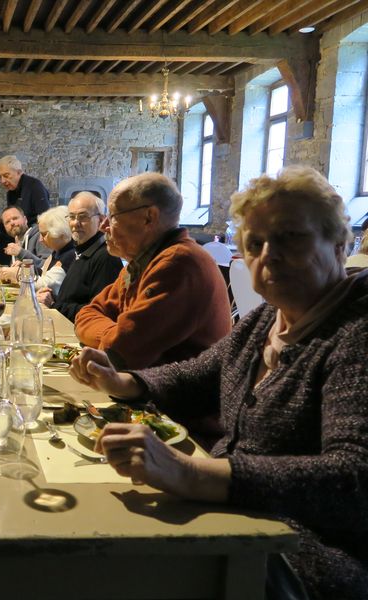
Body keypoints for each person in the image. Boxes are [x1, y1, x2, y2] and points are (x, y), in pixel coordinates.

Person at [69, 166, 368, 600]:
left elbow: (354, 479)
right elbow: (200, 373)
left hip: (299, 554)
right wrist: (124, 381)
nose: (269, 256)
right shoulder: (269, 317)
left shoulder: (356, 332)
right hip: (235, 515)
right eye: (256, 244)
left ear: (341, 244)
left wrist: (196, 472)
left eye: (291, 238)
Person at [74, 173, 231, 370]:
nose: (104, 226)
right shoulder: (142, 262)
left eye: (113, 216)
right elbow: (87, 314)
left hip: (174, 398)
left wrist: (110, 336)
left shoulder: (178, 264)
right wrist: (113, 332)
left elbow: (120, 352)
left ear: (149, 217)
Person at [37, 192, 123, 322]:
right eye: (71, 217)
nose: (75, 223)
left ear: (101, 219)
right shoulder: (80, 251)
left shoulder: (106, 257)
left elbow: (101, 312)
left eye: (83, 217)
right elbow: (74, 297)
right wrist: (52, 297)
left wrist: (55, 305)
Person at [8, 205, 76, 297]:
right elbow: (42, 272)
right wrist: (25, 268)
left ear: (60, 233)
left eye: (44, 234)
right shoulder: (57, 251)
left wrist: (17, 274)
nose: (40, 239)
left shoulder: (69, 255)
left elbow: (46, 284)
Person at [0, 155, 50, 228]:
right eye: (0, 177)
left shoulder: (35, 186)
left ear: (19, 172)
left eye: (6, 175)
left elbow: (46, 221)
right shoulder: (11, 193)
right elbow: (14, 229)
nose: (2, 181)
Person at [0, 205, 51, 272]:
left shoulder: (40, 236)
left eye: (15, 218)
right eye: (7, 222)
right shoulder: (16, 242)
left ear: (25, 220)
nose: (12, 223)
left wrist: (21, 253)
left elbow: (48, 266)